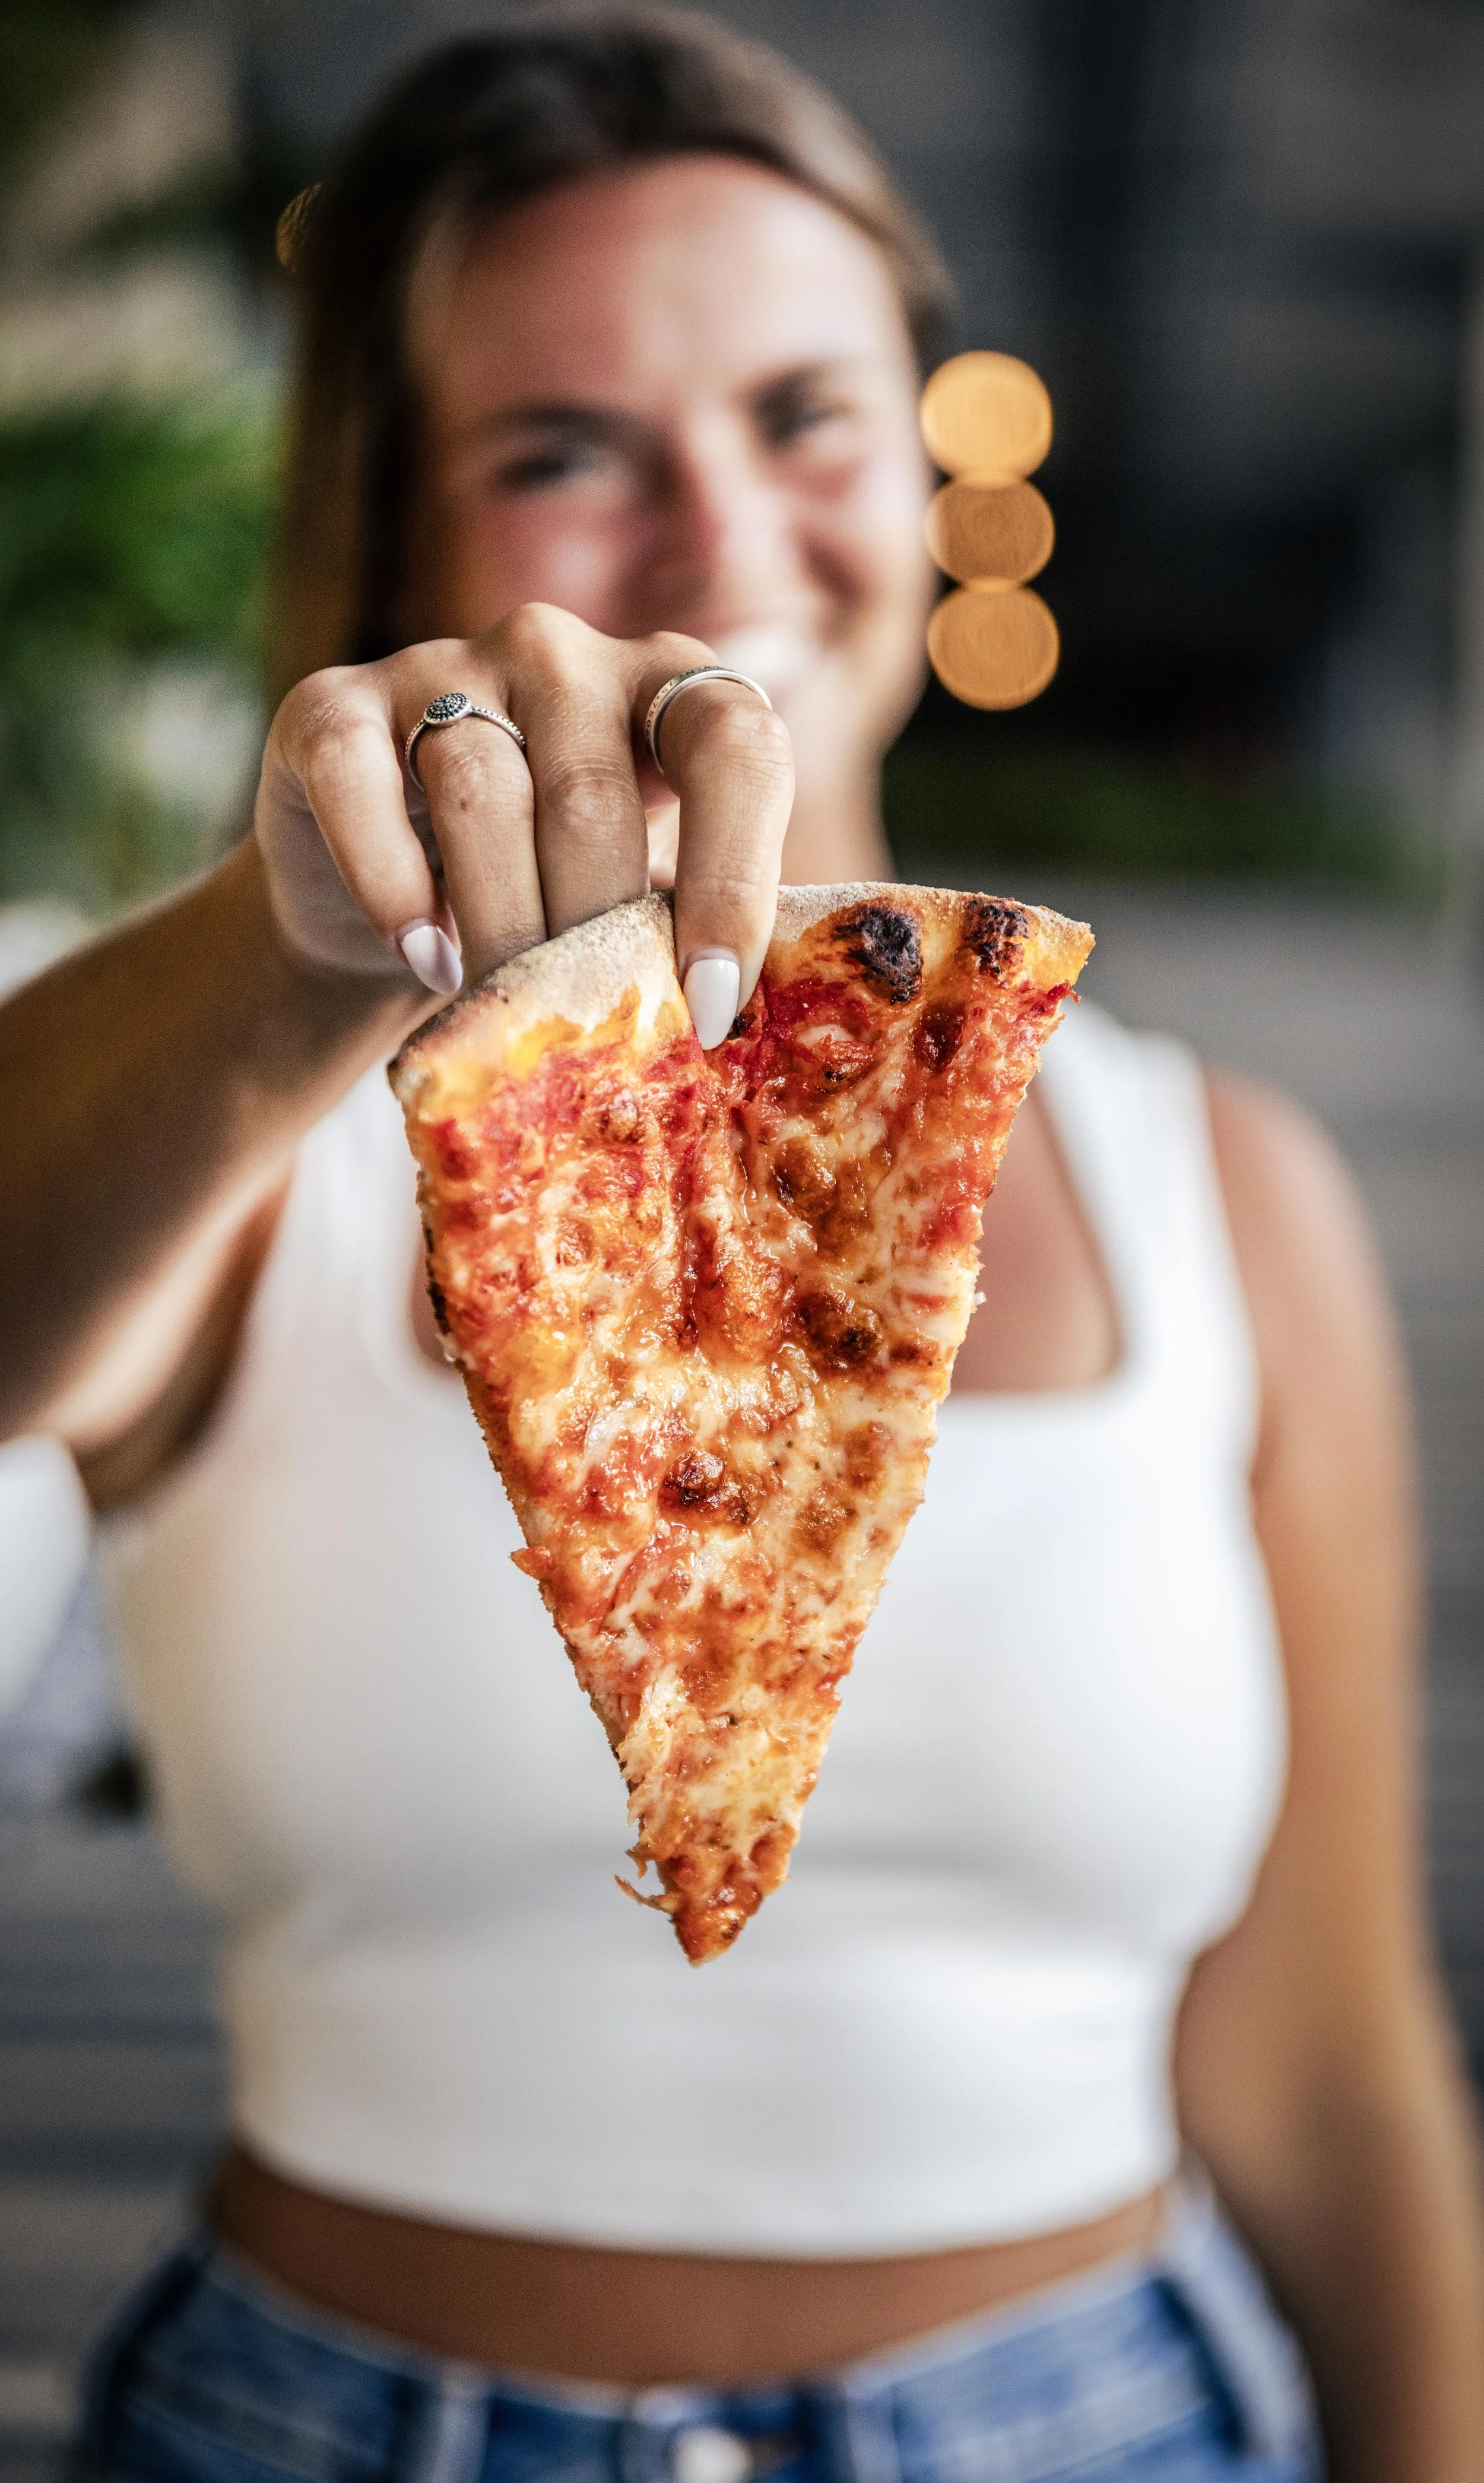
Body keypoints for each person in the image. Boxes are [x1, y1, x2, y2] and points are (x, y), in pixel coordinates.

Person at [1, 12, 1480, 2478]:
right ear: (398, 540)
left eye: (800, 413)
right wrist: (291, 943)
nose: (710, 530)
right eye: (559, 451)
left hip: (1106, 2422)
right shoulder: (250, 1132)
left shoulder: (1223, 1192)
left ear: (921, 463)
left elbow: (1328, 2073)